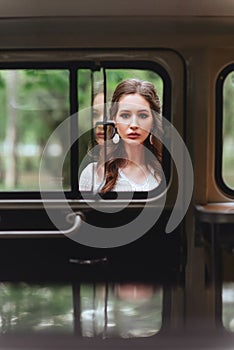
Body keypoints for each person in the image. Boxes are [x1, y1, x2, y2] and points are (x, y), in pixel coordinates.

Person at [79, 78, 163, 192]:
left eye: (142, 116)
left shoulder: (166, 172)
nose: (134, 125)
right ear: (114, 120)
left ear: (153, 122)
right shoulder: (93, 174)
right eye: (125, 115)